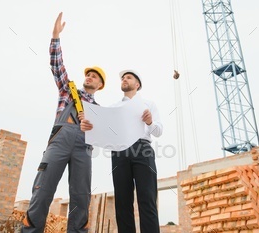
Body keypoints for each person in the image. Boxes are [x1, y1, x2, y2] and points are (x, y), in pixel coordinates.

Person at [22, 12, 106, 233]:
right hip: (59, 142)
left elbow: (107, 137)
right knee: (43, 189)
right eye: (88, 74)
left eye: (94, 76)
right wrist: (55, 37)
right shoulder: (68, 92)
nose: (89, 77)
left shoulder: (100, 111)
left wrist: (93, 128)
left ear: (100, 85)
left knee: (81, 195)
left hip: (83, 149)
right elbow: (57, 66)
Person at [80, 69, 163, 233]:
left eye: (129, 77)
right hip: (119, 151)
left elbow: (158, 131)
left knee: (147, 198)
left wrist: (150, 122)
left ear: (137, 84)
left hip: (143, 149)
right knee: (122, 201)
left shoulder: (148, 104)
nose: (124, 79)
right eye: (123, 78)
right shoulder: (114, 107)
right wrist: (87, 127)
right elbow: (102, 130)